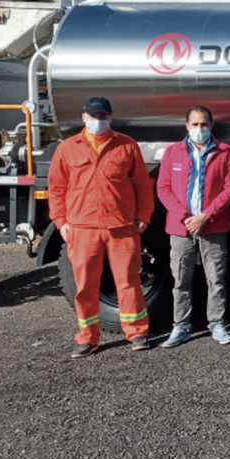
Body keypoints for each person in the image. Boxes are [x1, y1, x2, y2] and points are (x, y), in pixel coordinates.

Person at [48, 97, 155, 358]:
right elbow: (56, 189)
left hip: (121, 226)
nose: (99, 121)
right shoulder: (67, 148)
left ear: (111, 117)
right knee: (85, 286)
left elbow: (142, 184)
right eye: (94, 116)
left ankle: (137, 333)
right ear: (84, 117)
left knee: (128, 281)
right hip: (83, 228)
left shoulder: (126, 145)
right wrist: (61, 222)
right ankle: (87, 338)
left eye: (103, 116)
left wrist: (143, 215)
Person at [156, 106, 230, 348]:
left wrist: (205, 216)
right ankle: (181, 327)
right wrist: (185, 217)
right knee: (181, 280)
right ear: (187, 126)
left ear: (211, 125)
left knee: (216, 278)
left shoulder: (225, 151)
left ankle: (217, 324)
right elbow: (163, 188)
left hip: (213, 226)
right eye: (195, 124)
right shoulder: (173, 152)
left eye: (204, 124)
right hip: (180, 228)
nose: (199, 129)